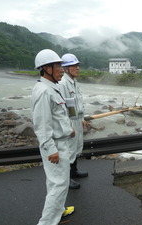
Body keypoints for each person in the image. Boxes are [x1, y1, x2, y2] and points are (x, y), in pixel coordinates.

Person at [31, 49, 75, 225]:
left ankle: (58, 210)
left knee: (55, 182)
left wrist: (68, 129)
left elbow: (57, 115)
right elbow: (41, 125)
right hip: (55, 146)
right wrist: (51, 149)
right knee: (59, 184)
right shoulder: (43, 91)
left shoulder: (52, 88)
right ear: (46, 68)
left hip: (60, 141)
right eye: (57, 66)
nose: (61, 69)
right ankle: (47, 222)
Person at [59, 53, 88, 189]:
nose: (77, 68)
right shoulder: (63, 84)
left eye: (77, 65)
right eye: (73, 66)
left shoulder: (75, 83)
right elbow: (62, 107)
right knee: (69, 149)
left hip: (77, 119)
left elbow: (78, 103)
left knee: (76, 146)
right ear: (65, 69)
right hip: (69, 120)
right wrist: (67, 126)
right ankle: (67, 178)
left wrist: (82, 118)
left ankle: (74, 171)